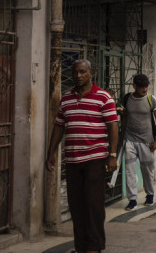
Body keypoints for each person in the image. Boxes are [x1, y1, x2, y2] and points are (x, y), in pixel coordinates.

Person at [45, 59, 118, 253]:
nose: (78, 76)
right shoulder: (66, 99)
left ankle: (94, 247)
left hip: (95, 159)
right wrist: (51, 152)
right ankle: (81, 246)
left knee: (93, 204)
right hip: (72, 160)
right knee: (76, 206)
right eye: (75, 72)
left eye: (82, 72)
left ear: (90, 73)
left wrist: (112, 155)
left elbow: (113, 127)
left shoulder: (104, 97)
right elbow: (59, 126)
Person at [118, 74, 156, 211]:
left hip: (146, 142)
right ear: (134, 86)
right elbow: (125, 117)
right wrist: (122, 137)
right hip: (130, 140)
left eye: (146, 86)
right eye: (142, 86)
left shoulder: (151, 99)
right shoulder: (127, 99)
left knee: (147, 170)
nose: (145, 89)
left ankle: (150, 195)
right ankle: (132, 200)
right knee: (129, 171)